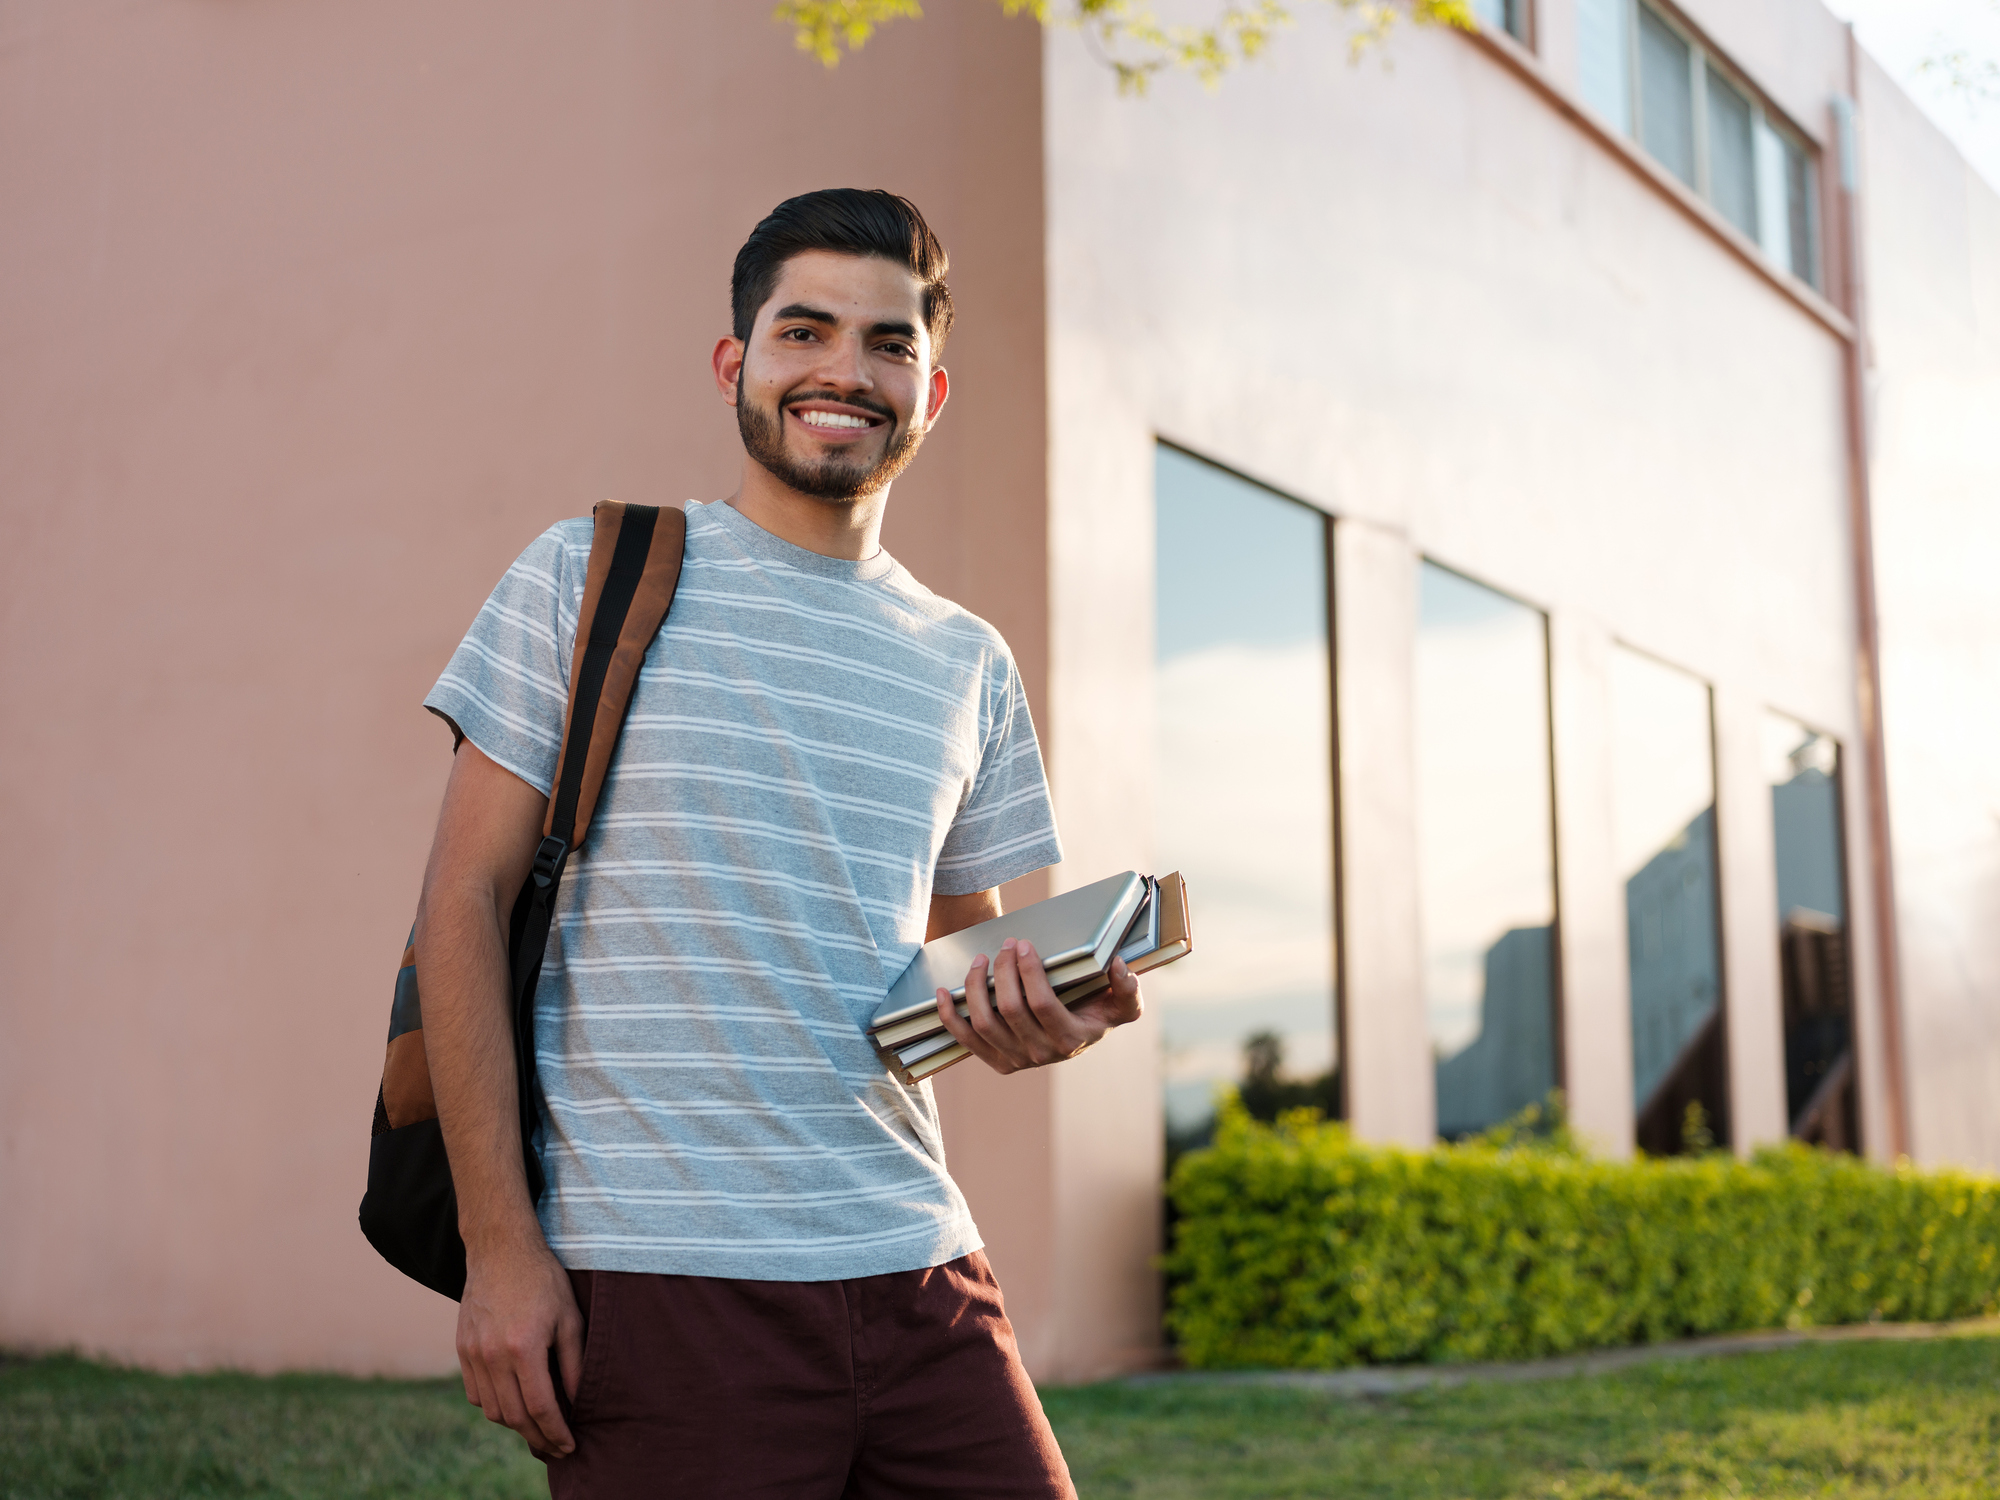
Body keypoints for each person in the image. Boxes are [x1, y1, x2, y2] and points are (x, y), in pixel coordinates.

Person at [414, 188, 1142, 1498]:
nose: (845, 372)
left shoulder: (967, 661)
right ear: (734, 363)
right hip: (662, 1280)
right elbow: (460, 905)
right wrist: (500, 1249)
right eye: (804, 331)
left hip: (919, 1265)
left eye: (888, 345)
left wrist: (1045, 1013)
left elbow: (950, 970)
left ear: (932, 393)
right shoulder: (590, 575)